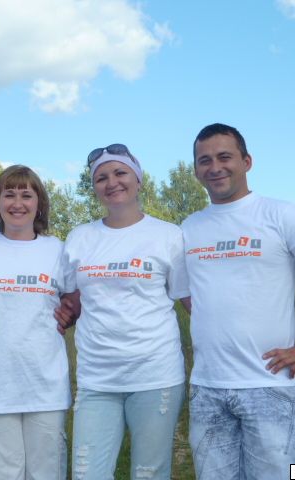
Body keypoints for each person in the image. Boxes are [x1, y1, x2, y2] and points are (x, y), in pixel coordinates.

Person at [180, 123, 295, 479]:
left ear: (247, 161)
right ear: (196, 170)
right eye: (204, 160)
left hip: (268, 383)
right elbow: (190, 295)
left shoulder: (281, 215)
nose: (215, 167)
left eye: (225, 157)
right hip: (207, 386)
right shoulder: (188, 228)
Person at [62, 144, 188, 480]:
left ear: (139, 179)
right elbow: (70, 303)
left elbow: (189, 301)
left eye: (120, 173)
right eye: (101, 177)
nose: (112, 182)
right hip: (97, 379)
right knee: (87, 473)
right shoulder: (79, 238)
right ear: (94, 187)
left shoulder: (169, 236)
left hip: (155, 375)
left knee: (149, 473)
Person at [0, 165, 71, 479]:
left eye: (26, 195)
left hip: (46, 385)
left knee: (46, 472)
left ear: (39, 204)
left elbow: (77, 298)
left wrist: (70, 313)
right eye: (9, 194)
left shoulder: (57, 250)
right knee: (1, 472)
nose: (17, 203)